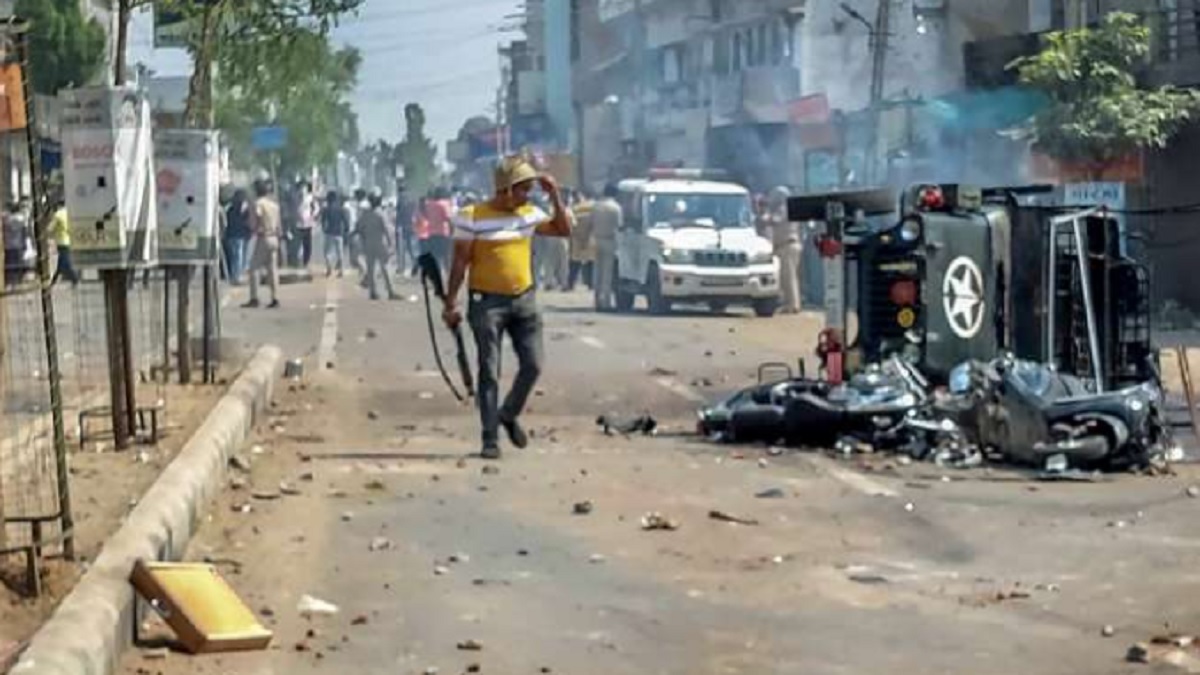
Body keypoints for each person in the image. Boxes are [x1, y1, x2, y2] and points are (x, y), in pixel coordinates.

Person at [443, 155, 572, 460]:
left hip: (523, 299)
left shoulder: (528, 214)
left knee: (534, 364)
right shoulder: (471, 216)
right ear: (503, 189)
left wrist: (554, 193)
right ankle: (490, 438)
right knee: (489, 370)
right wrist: (451, 302)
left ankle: (508, 413)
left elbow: (563, 230)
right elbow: (460, 263)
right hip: (486, 303)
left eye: (529, 189)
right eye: (521, 189)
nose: (526, 195)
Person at [354, 192, 400, 301]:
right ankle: (390, 292)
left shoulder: (365, 214)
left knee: (370, 269)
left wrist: (363, 238)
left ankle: (373, 292)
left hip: (368, 243)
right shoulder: (381, 214)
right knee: (385, 268)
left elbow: (358, 228)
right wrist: (391, 244)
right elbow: (386, 230)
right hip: (380, 242)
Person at [245, 179, 282, 309]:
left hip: (263, 237)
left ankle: (254, 298)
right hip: (274, 238)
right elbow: (278, 224)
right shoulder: (274, 205)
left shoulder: (258, 204)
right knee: (272, 270)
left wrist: (253, 225)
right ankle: (275, 297)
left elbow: (256, 218)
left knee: (254, 268)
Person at [765, 186, 801, 314]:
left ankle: (793, 305)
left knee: (788, 277)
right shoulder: (788, 209)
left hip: (787, 246)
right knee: (788, 277)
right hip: (787, 246)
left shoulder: (783, 209)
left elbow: (774, 221)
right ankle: (789, 304)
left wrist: (765, 216)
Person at [591, 183, 623, 311]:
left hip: (596, 239)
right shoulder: (616, 208)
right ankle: (606, 302)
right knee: (607, 273)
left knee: (597, 271)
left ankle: (597, 301)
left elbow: (590, 223)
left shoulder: (596, 206)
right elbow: (620, 225)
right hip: (610, 240)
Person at [224, 188, 252, 284]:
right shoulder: (244, 207)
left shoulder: (229, 207)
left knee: (235, 257)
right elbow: (248, 220)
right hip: (241, 234)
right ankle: (237, 276)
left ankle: (235, 276)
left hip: (232, 234)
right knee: (239, 256)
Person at [569, 190, 596, 291]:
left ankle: (571, 283)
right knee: (590, 263)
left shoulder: (574, 208)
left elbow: (572, 225)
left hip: (577, 238)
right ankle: (590, 284)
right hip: (590, 237)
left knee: (575, 263)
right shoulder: (593, 206)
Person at [49, 200, 78, 286]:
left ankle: (74, 278)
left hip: (61, 241)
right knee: (61, 262)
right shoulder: (70, 213)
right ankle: (54, 279)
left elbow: (50, 228)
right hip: (70, 240)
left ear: (58, 205)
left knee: (65, 261)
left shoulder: (58, 214)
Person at [321, 190, 350, 277]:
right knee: (340, 253)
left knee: (327, 253)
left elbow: (323, 221)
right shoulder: (341, 209)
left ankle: (329, 269)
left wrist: (324, 229)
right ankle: (341, 271)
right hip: (339, 233)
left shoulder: (326, 209)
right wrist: (346, 230)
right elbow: (345, 221)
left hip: (329, 232)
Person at [424, 187, 454, 271]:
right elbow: (448, 219)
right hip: (443, 233)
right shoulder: (443, 204)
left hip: (432, 233)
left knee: (436, 255)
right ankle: (447, 272)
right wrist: (453, 231)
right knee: (446, 255)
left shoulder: (429, 205)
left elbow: (426, 216)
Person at [3, 201, 28, 288]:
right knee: (18, 263)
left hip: (8, 245)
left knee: (9, 264)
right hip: (18, 244)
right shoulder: (21, 219)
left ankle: (9, 281)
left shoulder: (6, 219)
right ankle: (18, 281)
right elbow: (24, 232)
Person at [293, 181, 318, 269]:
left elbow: (316, 209)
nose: (302, 190)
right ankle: (297, 262)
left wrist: (312, 216)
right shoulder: (295, 197)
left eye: (304, 188)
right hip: (297, 224)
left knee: (307, 244)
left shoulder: (310, 198)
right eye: (301, 188)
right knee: (297, 244)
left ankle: (305, 262)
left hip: (308, 224)